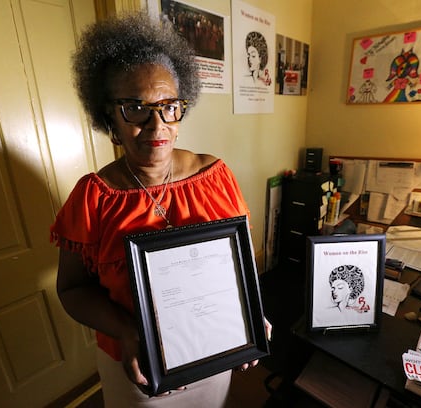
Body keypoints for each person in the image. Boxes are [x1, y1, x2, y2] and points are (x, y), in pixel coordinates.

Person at [50, 12, 271, 408]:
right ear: (109, 120)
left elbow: (238, 262)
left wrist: (246, 314)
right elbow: (71, 289)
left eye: (169, 106)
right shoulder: (94, 197)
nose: (157, 126)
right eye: (135, 108)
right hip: (140, 365)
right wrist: (128, 332)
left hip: (213, 347)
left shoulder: (215, 176)